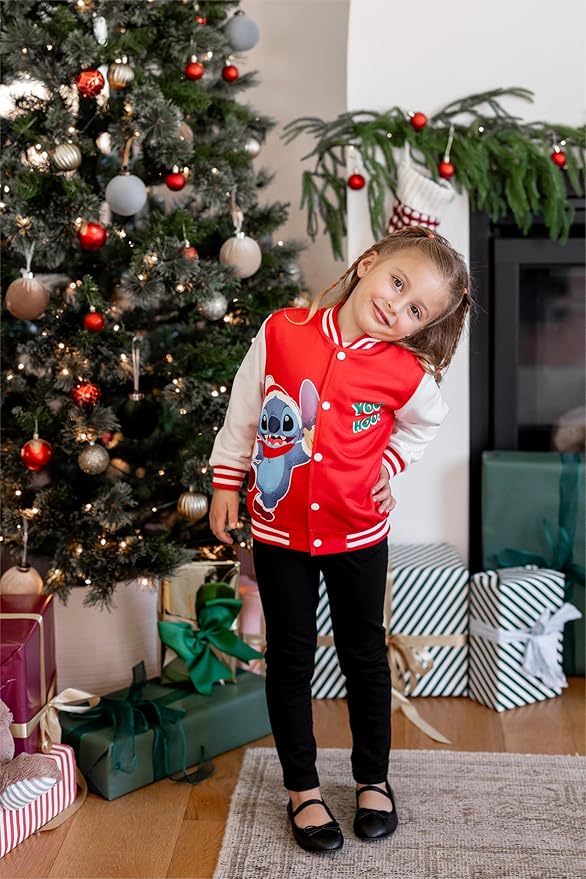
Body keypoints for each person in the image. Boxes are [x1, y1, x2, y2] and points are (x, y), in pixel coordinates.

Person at [209, 226, 471, 853]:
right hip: (278, 531)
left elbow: (424, 426)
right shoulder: (283, 331)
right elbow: (244, 411)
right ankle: (302, 789)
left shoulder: (405, 372)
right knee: (291, 658)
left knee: (363, 655)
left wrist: (389, 467)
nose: (397, 307)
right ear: (369, 263)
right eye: (397, 283)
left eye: (417, 311)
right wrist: (225, 481)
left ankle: (372, 779)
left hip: (358, 533)